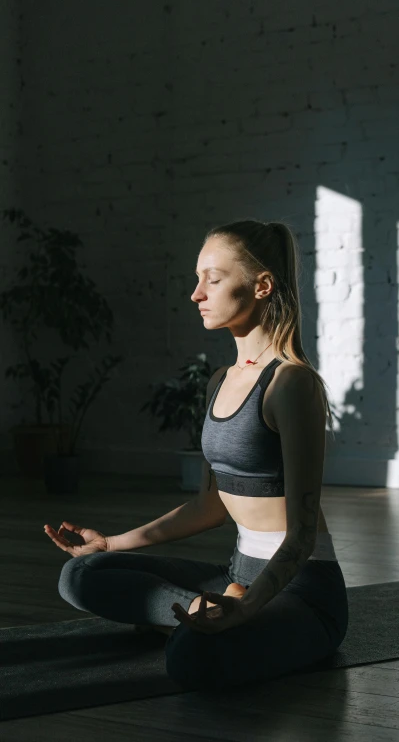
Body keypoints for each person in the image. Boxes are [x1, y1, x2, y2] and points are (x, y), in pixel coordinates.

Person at [44, 219, 348, 692]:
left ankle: (202, 622)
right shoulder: (219, 381)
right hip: (237, 574)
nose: (196, 294)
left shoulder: (292, 384)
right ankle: (197, 614)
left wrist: (247, 606)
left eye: (213, 278)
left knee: (191, 658)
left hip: (301, 590)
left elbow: (302, 537)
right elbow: (210, 507)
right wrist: (111, 543)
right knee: (80, 574)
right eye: (197, 277)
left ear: (262, 285)